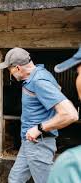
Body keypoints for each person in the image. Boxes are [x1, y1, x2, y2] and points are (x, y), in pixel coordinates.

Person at [0, 47, 78, 183]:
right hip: (29, 142)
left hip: (39, 144)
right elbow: (57, 90)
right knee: (14, 180)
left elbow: (70, 114)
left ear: (17, 68)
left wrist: (39, 128)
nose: (10, 73)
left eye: (9, 69)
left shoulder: (39, 81)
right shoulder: (40, 74)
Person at [47, 46, 81, 183]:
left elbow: (70, 115)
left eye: (78, 73)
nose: (77, 80)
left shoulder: (72, 164)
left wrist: (39, 128)